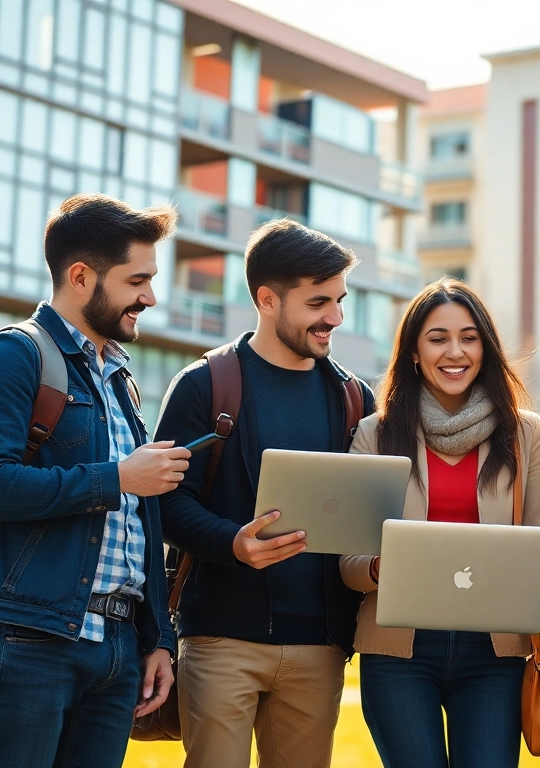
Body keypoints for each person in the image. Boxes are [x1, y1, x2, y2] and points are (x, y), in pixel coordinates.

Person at [0, 193, 183, 768]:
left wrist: (155, 639)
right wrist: (117, 477)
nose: (149, 298)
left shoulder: (118, 379)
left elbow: (140, 519)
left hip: (116, 648)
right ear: (81, 276)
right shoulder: (14, 356)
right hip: (29, 639)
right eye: (137, 281)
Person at [154, 219, 375, 768]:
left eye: (340, 300)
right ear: (267, 299)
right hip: (220, 640)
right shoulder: (203, 385)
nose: (336, 318)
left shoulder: (354, 399)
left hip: (320, 647)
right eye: (319, 301)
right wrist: (232, 543)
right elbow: (162, 502)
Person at [339, 279, 540, 768]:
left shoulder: (526, 435)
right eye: (437, 338)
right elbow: (348, 564)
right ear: (414, 352)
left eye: (469, 337)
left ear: (485, 347)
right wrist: (382, 566)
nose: (454, 351)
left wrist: (513, 561)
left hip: (495, 654)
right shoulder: (375, 434)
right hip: (398, 652)